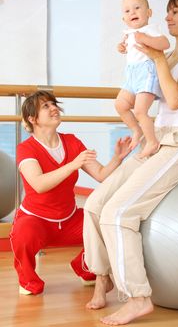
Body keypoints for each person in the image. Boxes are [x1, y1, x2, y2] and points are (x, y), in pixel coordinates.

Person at [83, 0, 178, 325]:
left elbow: (173, 99)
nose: (167, 18)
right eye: (167, 12)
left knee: (117, 212)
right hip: (156, 142)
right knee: (96, 204)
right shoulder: (166, 57)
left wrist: (155, 58)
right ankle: (103, 277)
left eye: (174, 12)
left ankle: (139, 298)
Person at [10, 90, 132, 296]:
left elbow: (101, 175)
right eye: (46, 106)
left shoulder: (72, 142)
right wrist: (73, 164)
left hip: (68, 218)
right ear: (33, 119)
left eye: (54, 104)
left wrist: (117, 158)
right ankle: (28, 281)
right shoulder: (26, 148)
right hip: (35, 219)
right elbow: (39, 184)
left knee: (103, 224)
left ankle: (85, 268)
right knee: (22, 235)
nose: (54, 108)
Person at [115, 0, 170, 158]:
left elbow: (165, 44)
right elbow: (130, 48)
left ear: (149, 13)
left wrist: (145, 38)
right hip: (131, 74)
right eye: (127, 11)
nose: (132, 12)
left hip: (147, 72)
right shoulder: (129, 33)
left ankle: (152, 142)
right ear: (124, 19)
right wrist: (122, 47)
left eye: (137, 8)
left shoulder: (149, 29)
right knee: (120, 105)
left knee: (140, 111)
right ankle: (136, 130)